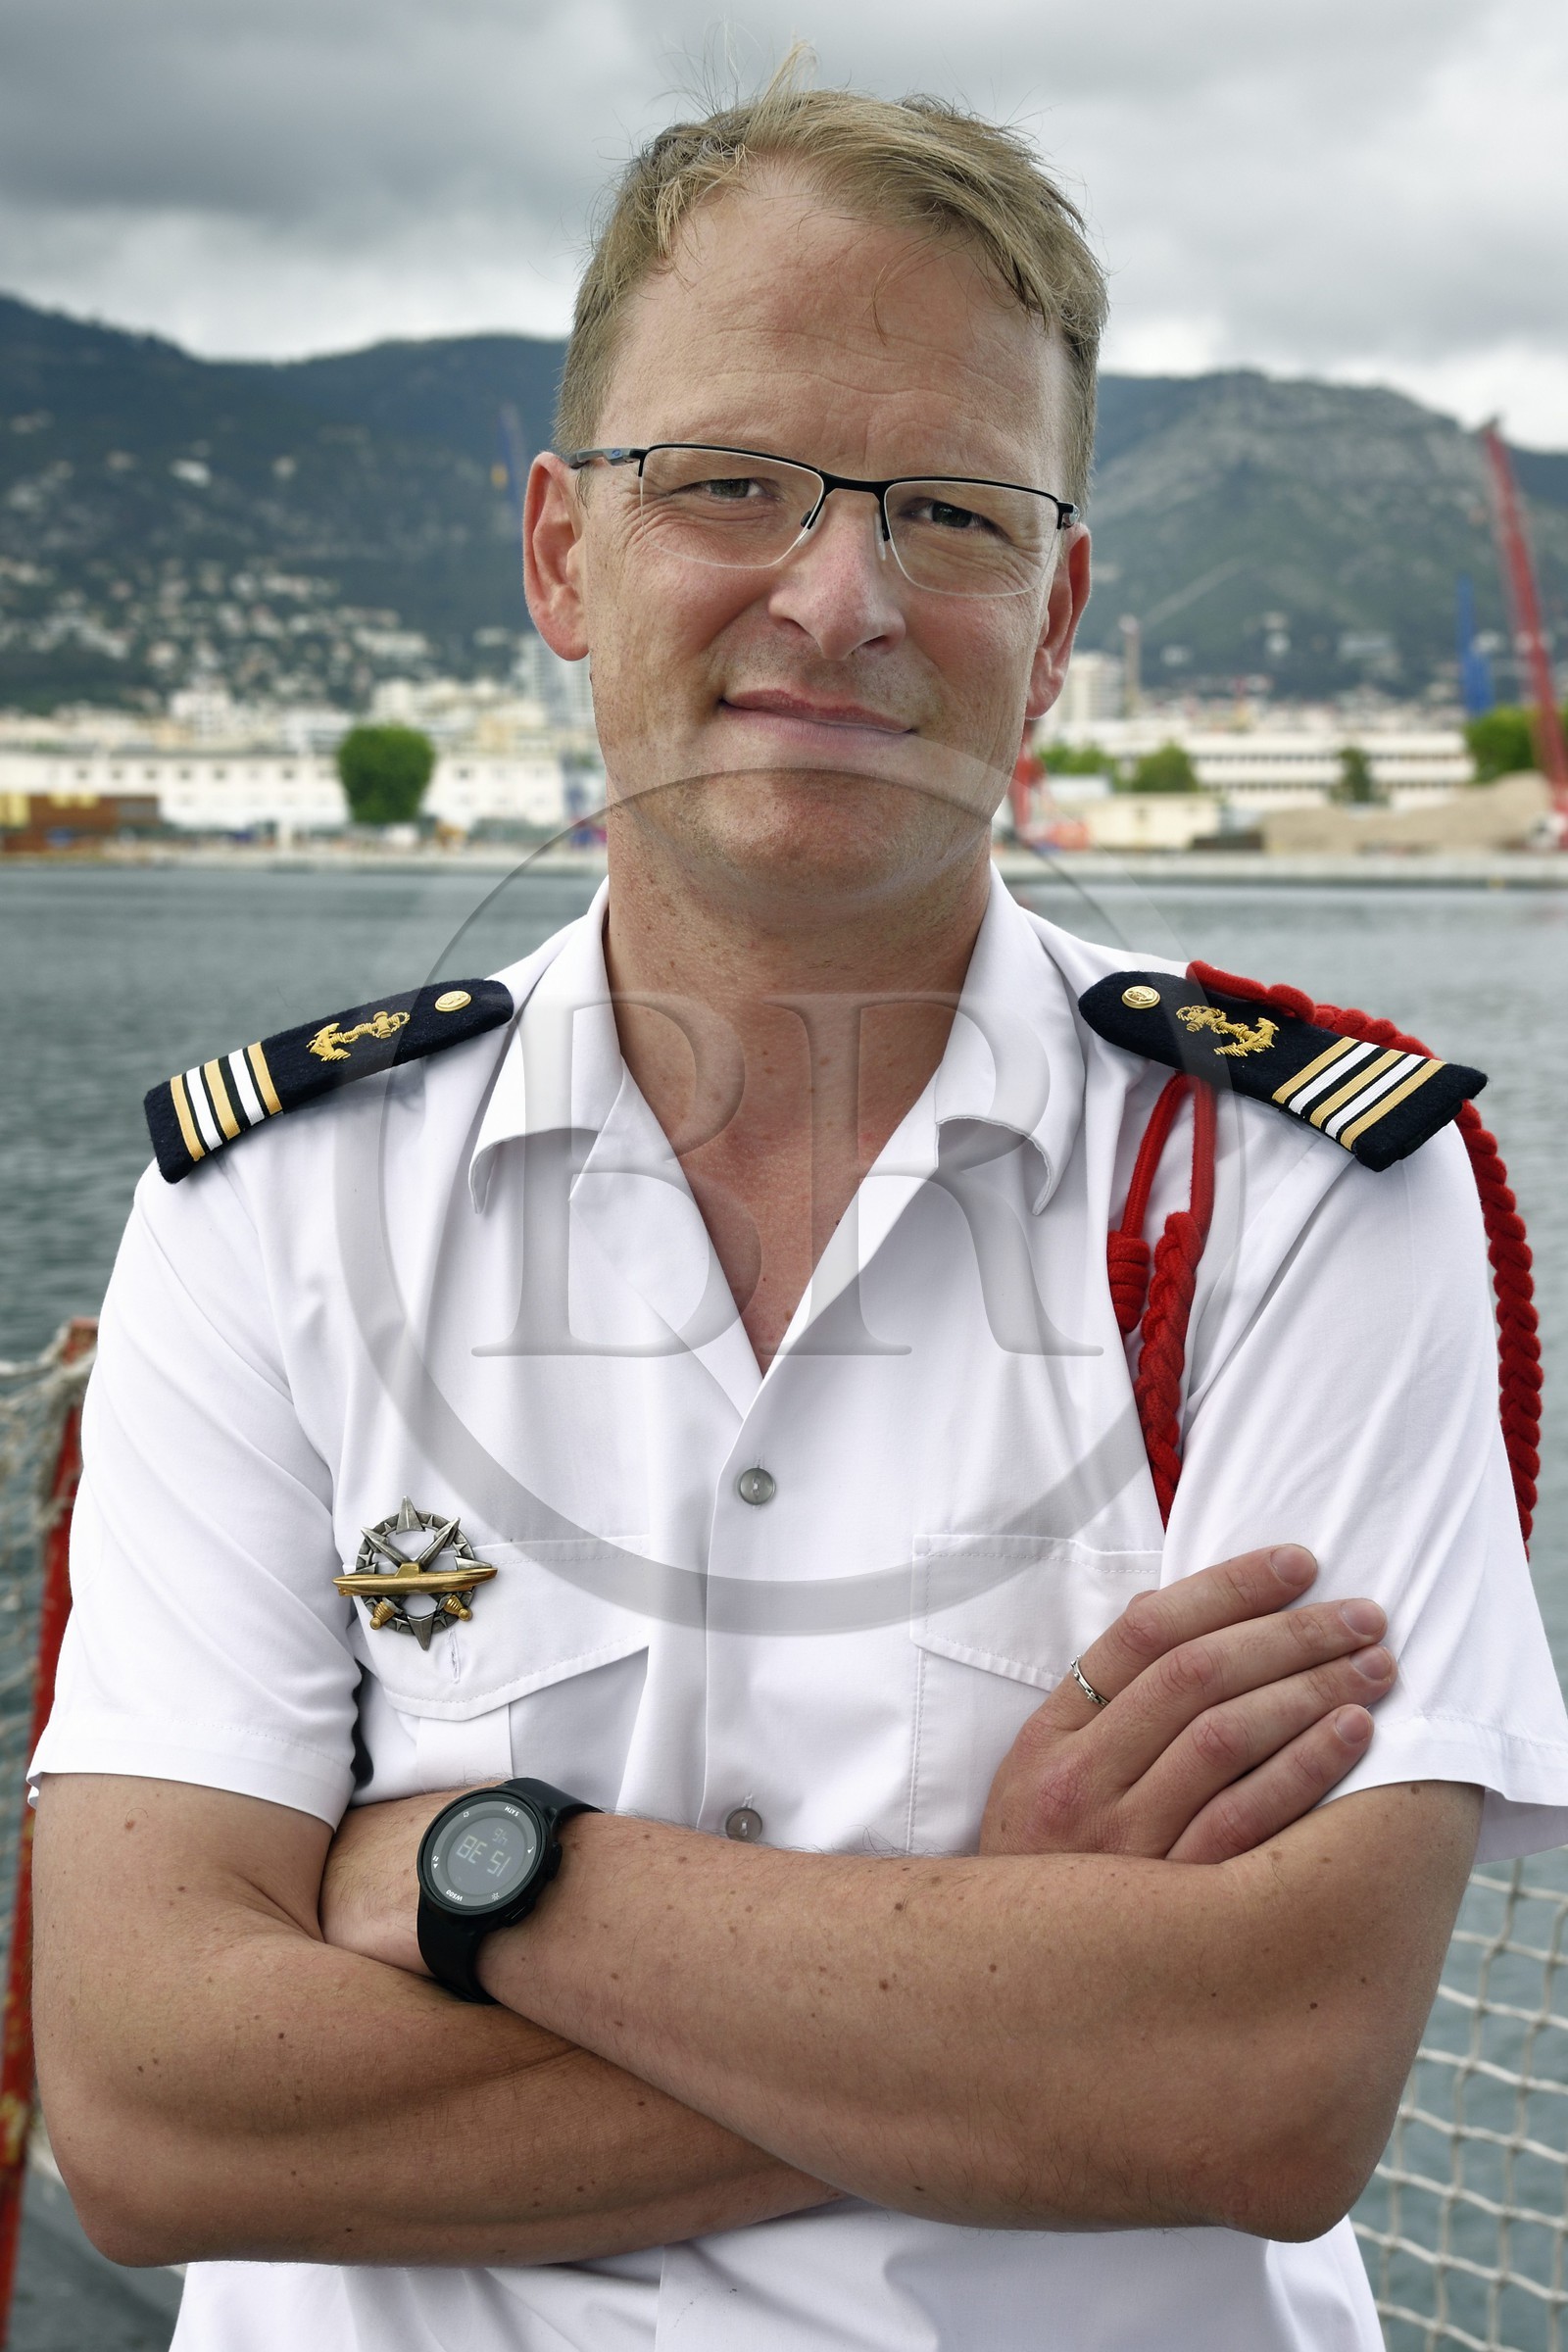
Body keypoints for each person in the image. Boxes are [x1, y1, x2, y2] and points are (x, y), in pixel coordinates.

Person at [30, 66, 1568, 2352]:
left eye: (950, 514)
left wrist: (465, 1884)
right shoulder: (270, 1211)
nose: (835, 597)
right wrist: (1005, 1960)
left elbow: (1257, 2087)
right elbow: (155, 2119)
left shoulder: (1297, 1202)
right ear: (560, 552)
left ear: (1052, 619)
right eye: (728, 484)